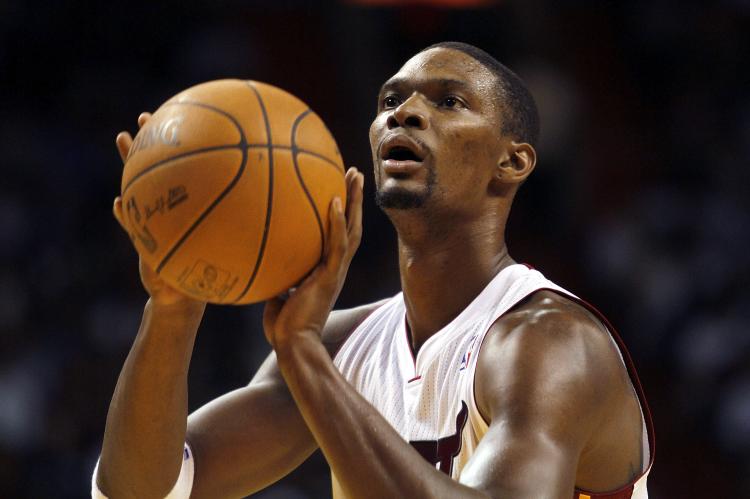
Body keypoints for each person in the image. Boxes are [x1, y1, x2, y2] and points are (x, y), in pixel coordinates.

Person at [93, 41, 653, 499]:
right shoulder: (344, 344)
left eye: (450, 102)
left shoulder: (551, 344)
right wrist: (175, 302)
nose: (403, 113)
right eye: (390, 100)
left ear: (512, 161)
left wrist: (303, 355)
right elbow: (143, 491)